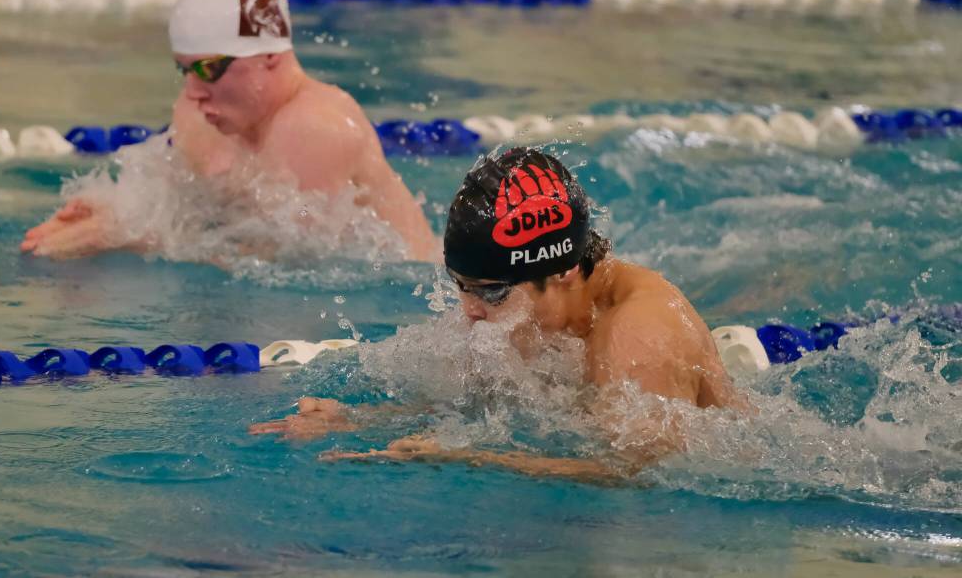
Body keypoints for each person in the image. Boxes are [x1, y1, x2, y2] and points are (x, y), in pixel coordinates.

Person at [250, 147, 746, 481]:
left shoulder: (634, 341)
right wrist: (360, 421)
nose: (470, 312)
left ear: (564, 272)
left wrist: (467, 460)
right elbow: (508, 412)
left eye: (490, 293)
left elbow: (634, 475)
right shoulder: (554, 316)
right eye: (461, 288)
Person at [20, 0, 437, 263]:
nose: (193, 92)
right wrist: (115, 213)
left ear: (271, 56)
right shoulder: (201, 114)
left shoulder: (317, 127)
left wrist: (128, 237)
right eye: (184, 69)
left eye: (208, 69)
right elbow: (188, 210)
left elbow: (295, 266)